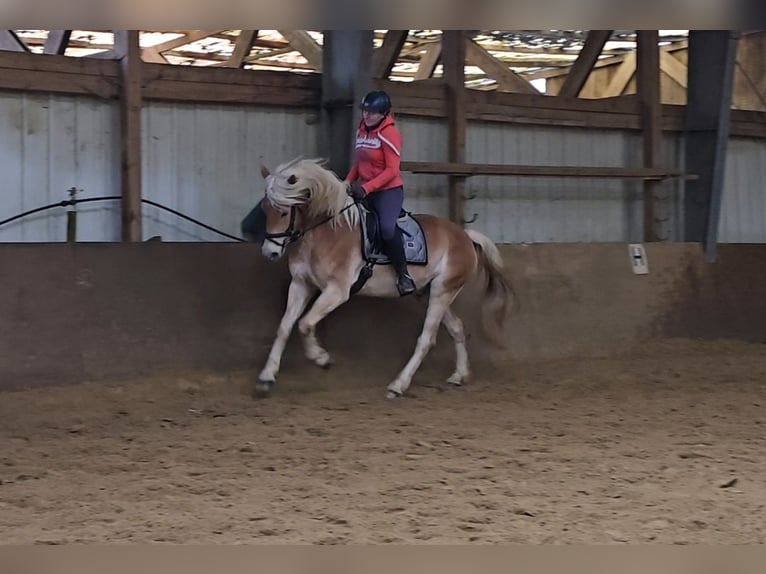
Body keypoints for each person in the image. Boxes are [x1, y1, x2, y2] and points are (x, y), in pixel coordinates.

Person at [345, 90, 417, 297]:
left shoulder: (390, 133)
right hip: (365, 188)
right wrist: (346, 183)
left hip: (388, 191)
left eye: (372, 113)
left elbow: (392, 170)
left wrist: (366, 188)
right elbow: (360, 163)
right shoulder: (362, 129)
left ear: (383, 113)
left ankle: (404, 274)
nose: (367, 116)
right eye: (365, 111)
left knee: (386, 228)